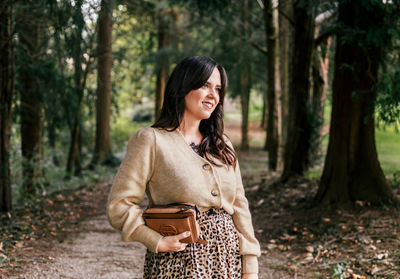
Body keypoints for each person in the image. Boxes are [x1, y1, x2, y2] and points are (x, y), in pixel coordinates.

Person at [107, 56, 261, 279]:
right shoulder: (150, 140)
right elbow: (119, 205)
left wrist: (250, 266)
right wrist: (155, 240)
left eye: (218, 89)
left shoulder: (222, 144)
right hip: (178, 262)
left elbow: (239, 205)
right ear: (183, 86)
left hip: (228, 261)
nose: (213, 95)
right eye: (204, 85)